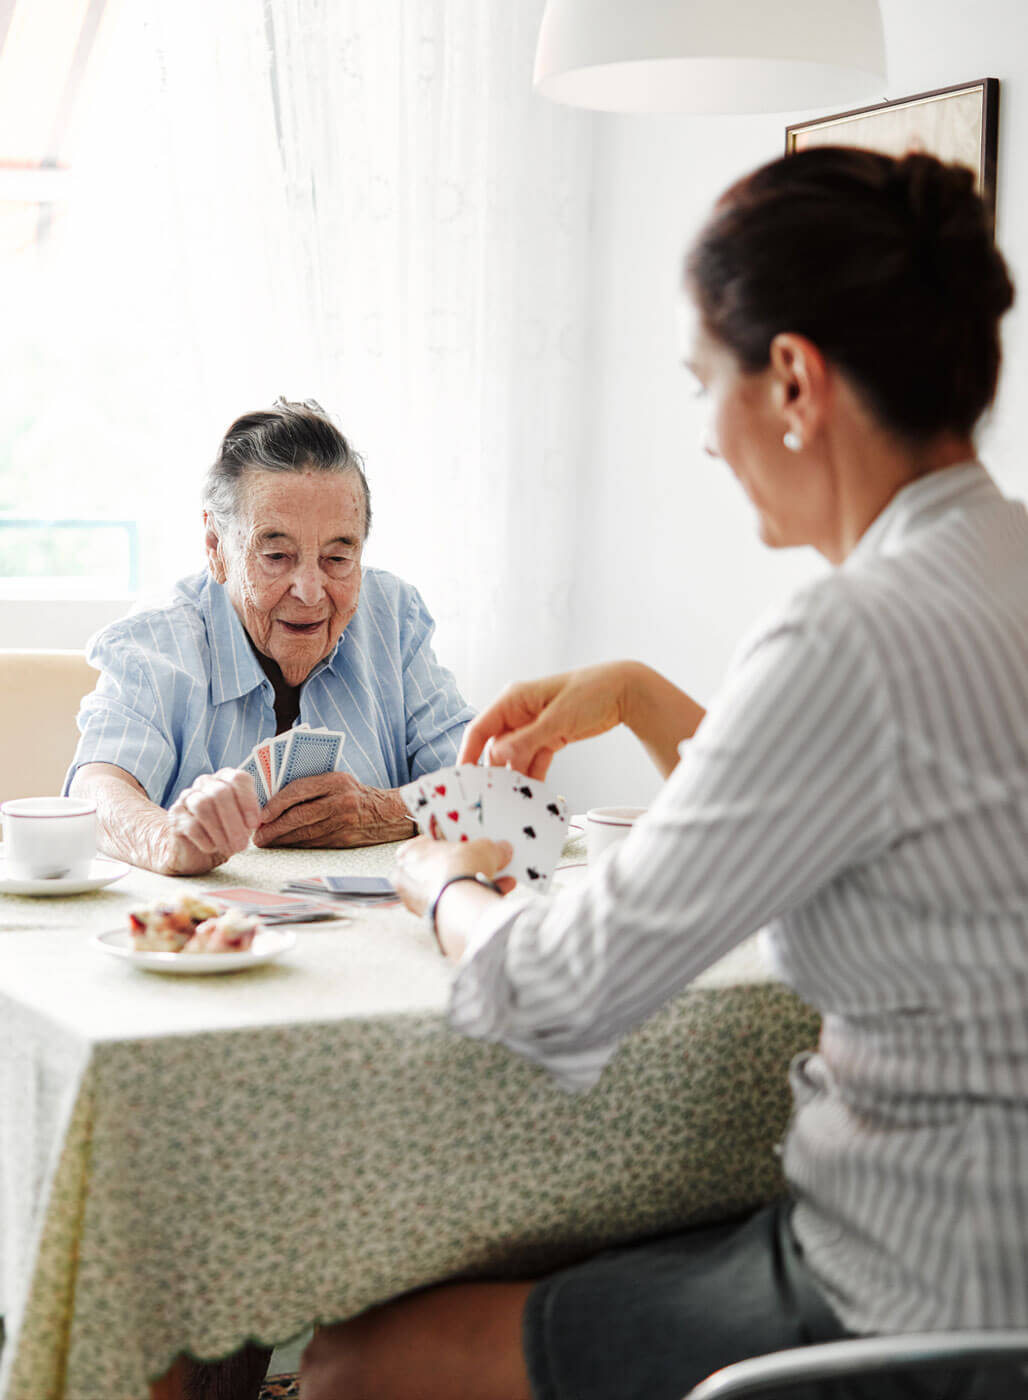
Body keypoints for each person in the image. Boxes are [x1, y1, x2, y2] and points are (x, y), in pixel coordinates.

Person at [298, 148, 1028, 1400]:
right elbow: (850, 808)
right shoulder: (991, 571)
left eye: (705, 383)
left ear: (791, 377)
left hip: (902, 1293)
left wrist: (433, 881)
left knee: (353, 1358)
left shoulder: (843, 634)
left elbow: (556, 992)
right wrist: (637, 690)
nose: (703, 436)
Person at [68, 399, 474, 875]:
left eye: (337, 559)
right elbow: (95, 788)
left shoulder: (393, 616)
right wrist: (167, 841)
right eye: (277, 555)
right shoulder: (154, 643)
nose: (309, 592)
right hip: (209, 936)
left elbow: (486, 781)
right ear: (216, 546)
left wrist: (382, 812)